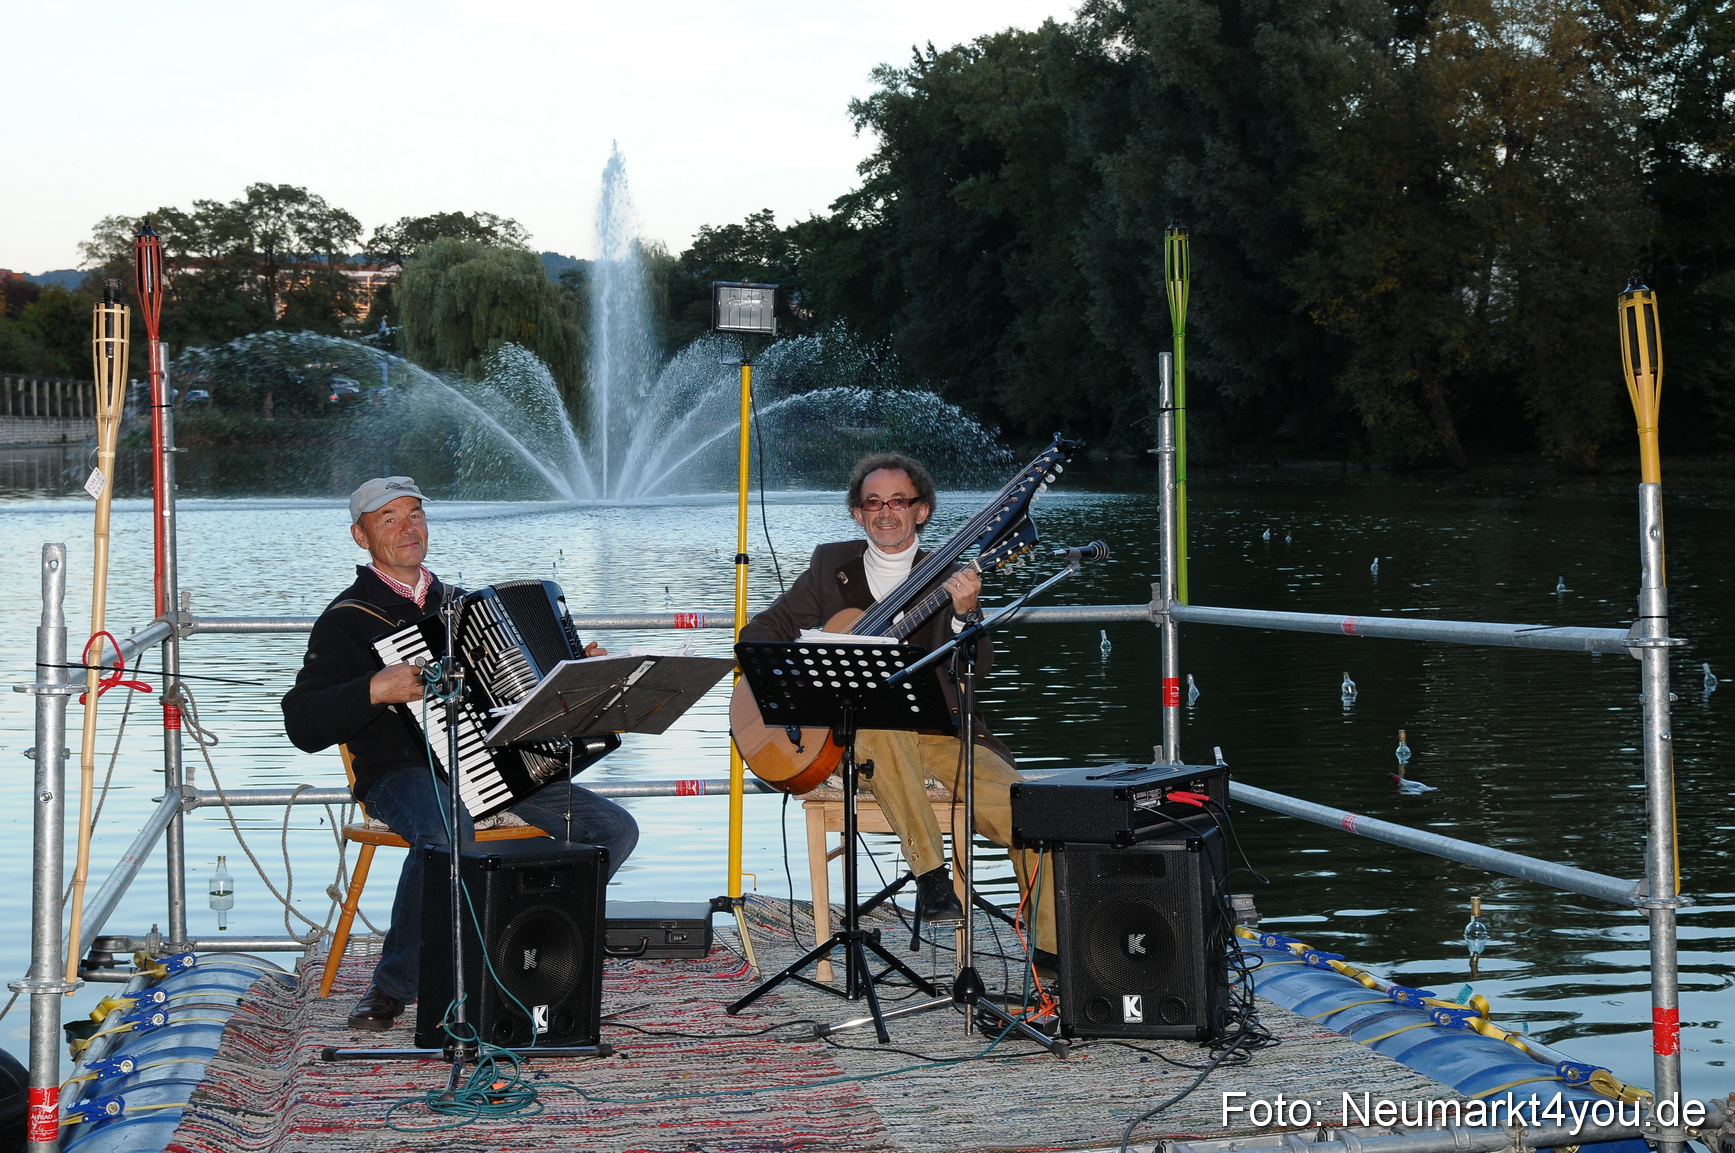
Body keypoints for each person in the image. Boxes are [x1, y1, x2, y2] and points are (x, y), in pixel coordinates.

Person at [282, 477, 639, 1031]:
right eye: (389, 520)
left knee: (613, 829)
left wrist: (572, 670)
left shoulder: (467, 606)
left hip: (495, 765)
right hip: (403, 770)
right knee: (447, 832)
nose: (408, 528)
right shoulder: (348, 620)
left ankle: (514, 946)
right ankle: (394, 987)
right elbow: (301, 722)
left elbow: (518, 691)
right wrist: (374, 689)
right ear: (361, 537)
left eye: (415, 515)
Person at [739, 453, 1056, 969]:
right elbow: (759, 635)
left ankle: (1052, 955)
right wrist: (802, 673)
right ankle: (932, 879)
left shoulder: (953, 576)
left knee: (1033, 812)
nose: (886, 513)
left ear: (922, 511)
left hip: (946, 734)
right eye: (873, 503)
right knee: (879, 723)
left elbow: (976, 672)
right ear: (857, 514)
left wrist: (966, 615)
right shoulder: (828, 568)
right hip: (854, 741)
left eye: (899, 502)